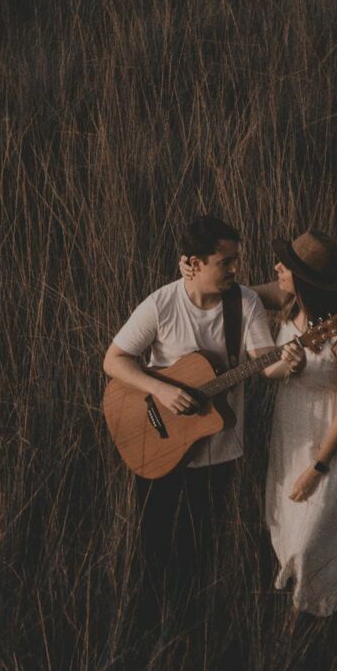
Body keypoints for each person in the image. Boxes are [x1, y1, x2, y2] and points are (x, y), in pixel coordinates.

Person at [103, 215, 304, 606]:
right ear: (192, 263)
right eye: (225, 262)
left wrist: (287, 364)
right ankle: (150, 627)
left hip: (217, 452)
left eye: (236, 261)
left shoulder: (244, 302)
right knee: (154, 549)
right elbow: (114, 361)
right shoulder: (161, 304)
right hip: (156, 446)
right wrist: (159, 388)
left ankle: (193, 630)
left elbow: (266, 363)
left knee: (200, 553)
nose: (235, 270)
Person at [260, 230, 337, 617]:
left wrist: (317, 467)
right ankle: (295, 607)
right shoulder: (289, 299)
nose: (276, 268)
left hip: (329, 432)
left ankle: (322, 602)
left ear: (303, 278)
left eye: (285, 266)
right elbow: (242, 295)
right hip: (292, 423)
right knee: (289, 517)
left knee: (311, 532)